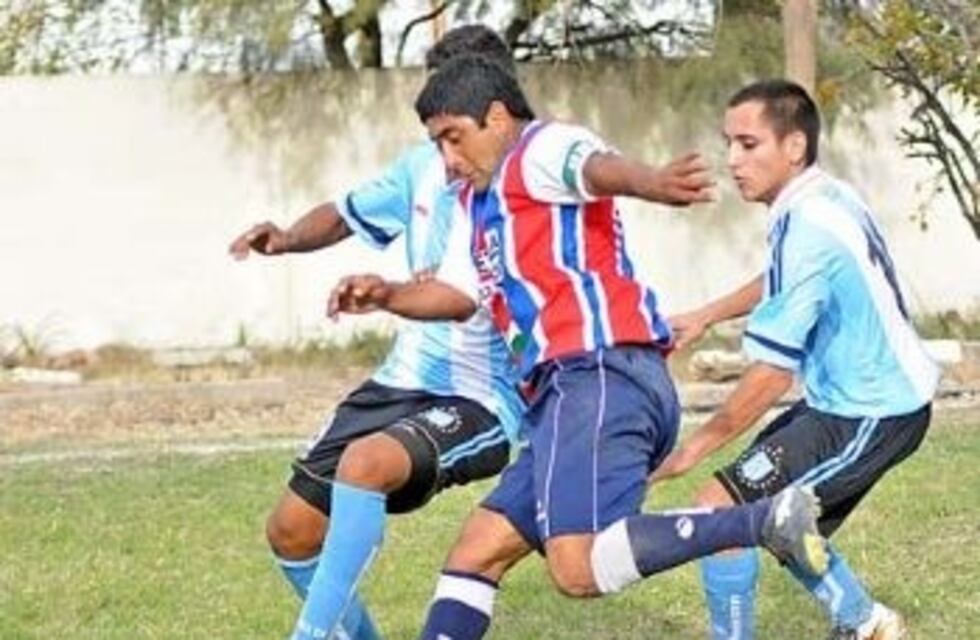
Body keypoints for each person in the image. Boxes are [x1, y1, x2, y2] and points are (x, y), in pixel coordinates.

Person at [327, 56, 830, 640]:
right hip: (569, 394)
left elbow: (595, 169)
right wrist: (387, 294)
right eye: (437, 143)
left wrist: (651, 183)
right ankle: (757, 521)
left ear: (495, 118)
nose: (448, 158)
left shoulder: (538, 146)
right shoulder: (476, 203)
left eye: (453, 138)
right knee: (477, 550)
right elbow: (459, 293)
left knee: (577, 567)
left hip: (595, 374)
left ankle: (757, 520)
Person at [228, 26, 527, 640]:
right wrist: (286, 238)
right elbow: (344, 213)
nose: (448, 148)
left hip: (478, 396)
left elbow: (471, 295)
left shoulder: (533, 183)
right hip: (399, 379)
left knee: (364, 465)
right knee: (292, 530)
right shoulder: (422, 166)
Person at [654, 79, 939, 640]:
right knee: (762, 520)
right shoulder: (820, 198)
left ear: (794, 147)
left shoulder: (806, 223)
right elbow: (782, 279)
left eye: (748, 144)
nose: (732, 159)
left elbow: (770, 375)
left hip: (877, 412)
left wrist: (692, 449)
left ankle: (861, 621)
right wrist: (708, 314)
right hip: (844, 403)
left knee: (744, 516)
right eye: (729, 143)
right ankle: (866, 623)